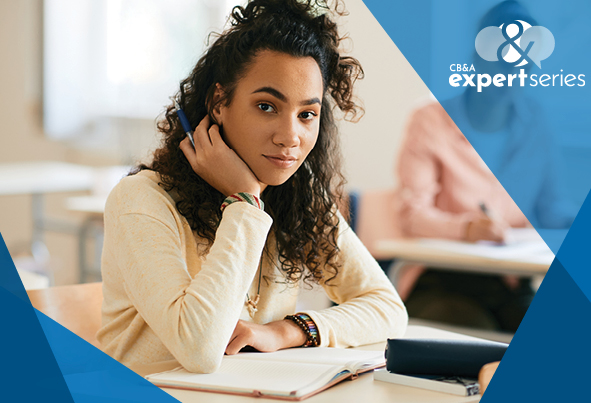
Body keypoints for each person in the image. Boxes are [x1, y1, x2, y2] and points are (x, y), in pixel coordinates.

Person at [97, 0, 407, 373]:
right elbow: (198, 349)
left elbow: (387, 307)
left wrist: (288, 331)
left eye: (307, 114)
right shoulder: (141, 200)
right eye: (266, 106)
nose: (291, 137)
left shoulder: (297, 195)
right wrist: (244, 201)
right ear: (218, 102)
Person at [394, 1, 575, 332]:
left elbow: (552, 209)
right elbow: (411, 215)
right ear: (478, 57)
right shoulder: (431, 120)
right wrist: (465, 228)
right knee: (481, 342)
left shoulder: (536, 122)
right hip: (443, 279)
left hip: (509, 282)